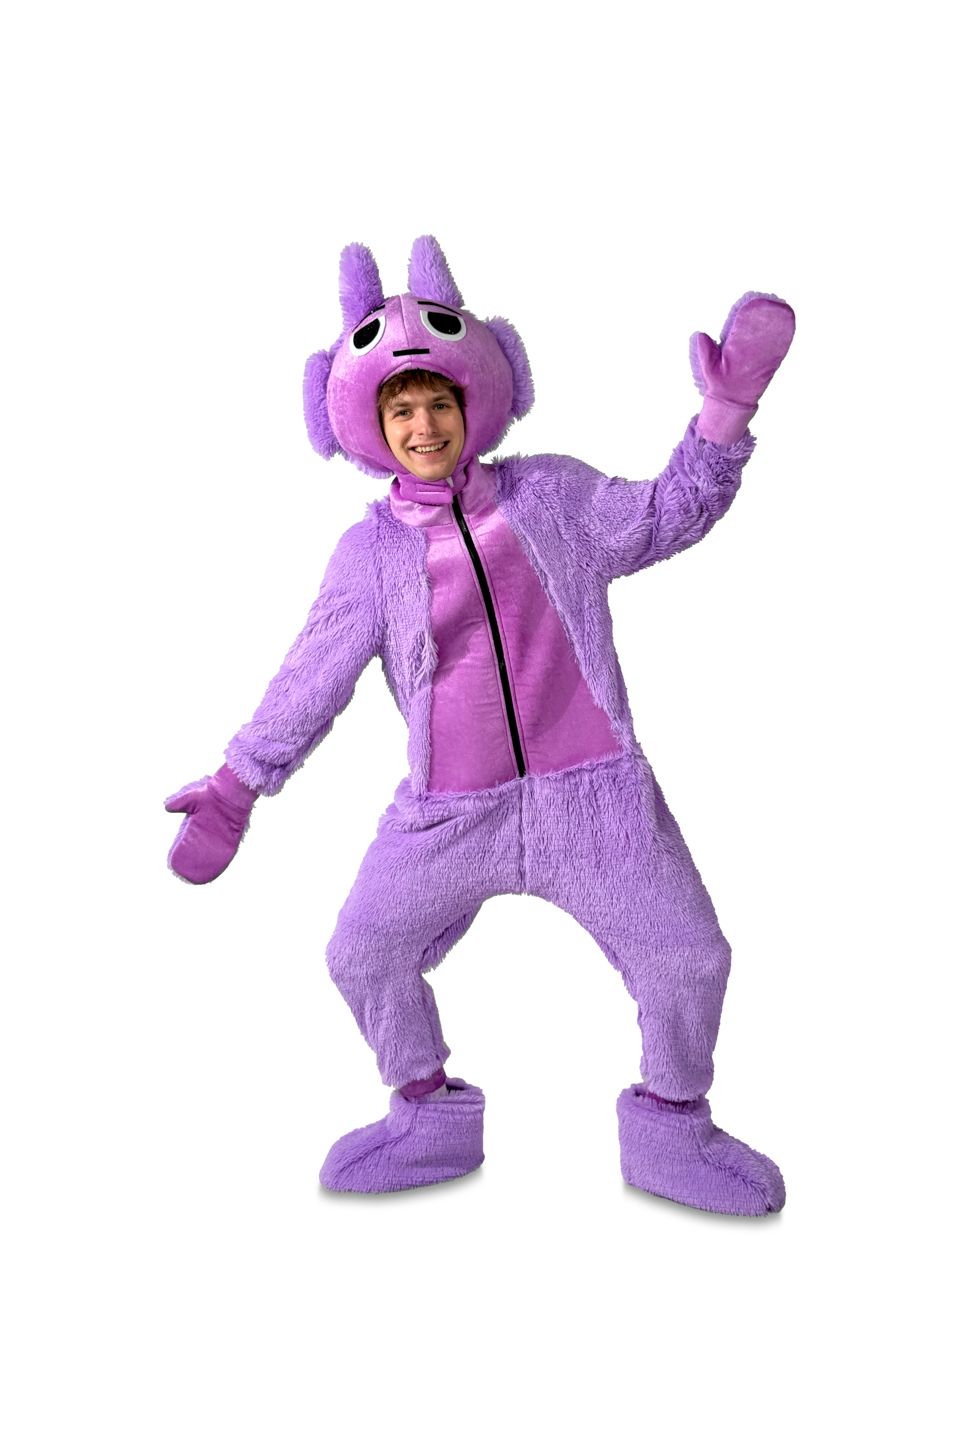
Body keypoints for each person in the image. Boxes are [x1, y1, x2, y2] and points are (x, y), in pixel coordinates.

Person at [165, 235, 795, 1213]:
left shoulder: (553, 496)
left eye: (439, 403)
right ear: (372, 426)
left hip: (595, 797)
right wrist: (239, 783)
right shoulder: (369, 555)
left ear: (472, 403)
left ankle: (673, 1129)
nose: (424, 425)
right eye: (401, 409)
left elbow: (665, 515)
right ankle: (427, 1117)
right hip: (450, 814)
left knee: (689, 956)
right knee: (363, 953)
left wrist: (723, 421)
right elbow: (310, 677)